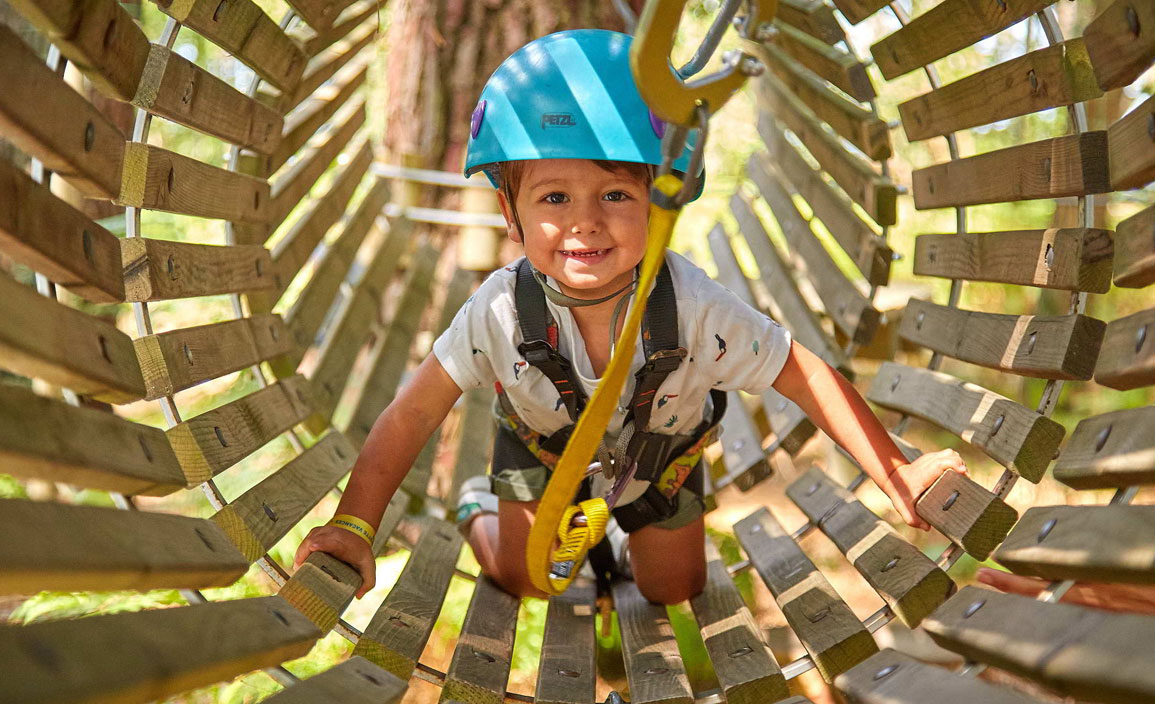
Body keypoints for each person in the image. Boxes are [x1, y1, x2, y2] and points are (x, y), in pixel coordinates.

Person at [293, 29, 965, 604]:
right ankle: (479, 509)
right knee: (528, 578)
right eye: (554, 196)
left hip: (658, 456)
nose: (584, 221)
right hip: (541, 449)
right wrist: (354, 526)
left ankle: (621, 528)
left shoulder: (695, 308)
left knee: (673, 589)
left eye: (615, 193)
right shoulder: (497, 310)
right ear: (510, 213)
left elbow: (799, 373)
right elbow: (411, 413)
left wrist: (895, 471)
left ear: (659, 200)